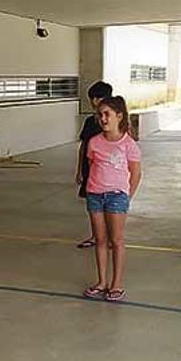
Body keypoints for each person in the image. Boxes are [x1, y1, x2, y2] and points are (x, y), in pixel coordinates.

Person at [81, 96, 142, 302]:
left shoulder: (128, 144)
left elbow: (135, 173)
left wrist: (126, 195)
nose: (103, 118)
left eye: (107, 114)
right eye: (100, 115)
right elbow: (92, 166)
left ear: (119, 116)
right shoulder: (94, 142)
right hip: (95, 195)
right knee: (100, 240)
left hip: (117, 197)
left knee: (116, 240)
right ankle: (102, 281)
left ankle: (116, 283)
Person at [75, 81, 113, 248]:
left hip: (107, 170)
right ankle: (96, 236)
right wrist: (79, 170)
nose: (94, 101)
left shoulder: (114, 121)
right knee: (94, 205)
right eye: (93, 98)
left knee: (109, 205)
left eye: (97, 98)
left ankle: (111, 237)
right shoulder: (90, 122)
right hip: (90, 169)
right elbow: (83, 146)